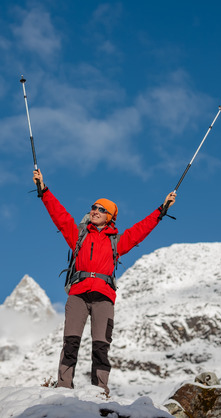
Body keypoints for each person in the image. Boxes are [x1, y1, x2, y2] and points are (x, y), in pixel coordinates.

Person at [33, 169, 176, 394]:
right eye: (93, 207)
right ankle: (63, 387)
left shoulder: (117, 242)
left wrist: (162, 209)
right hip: (78, 295)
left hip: (104, 298)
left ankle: (100, 391)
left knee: (101, 346)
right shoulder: (79, 235)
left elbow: (141, 229)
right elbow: (60, 216)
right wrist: (43, 190)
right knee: (70, 343)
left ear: (109, 216)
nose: (95, 211)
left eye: (101, 209)